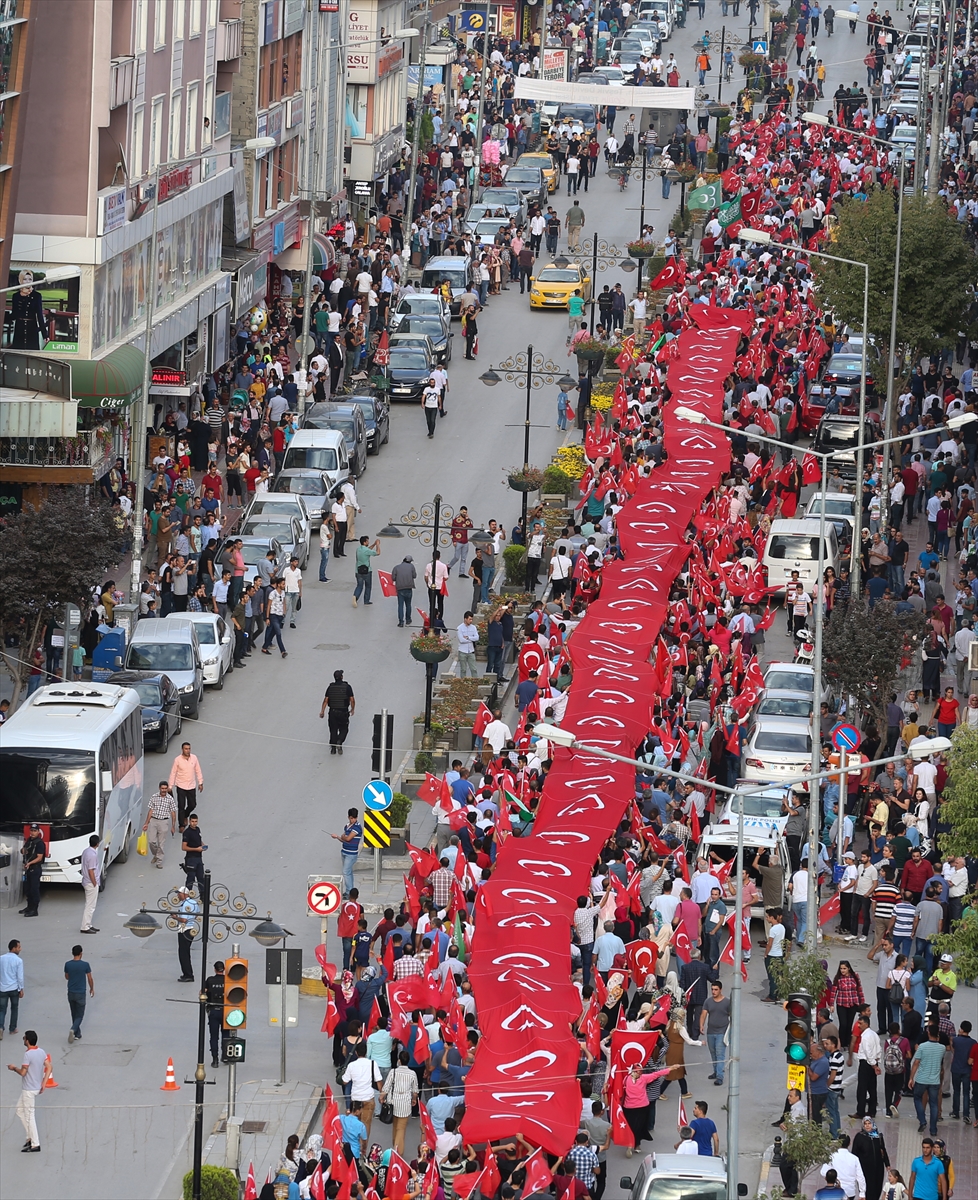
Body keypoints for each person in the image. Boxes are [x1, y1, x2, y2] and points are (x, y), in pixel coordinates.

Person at [7, 1030, 50, 1152]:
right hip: (36, 1087)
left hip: (28, 1089)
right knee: (19, 1110)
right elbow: (49, 1066)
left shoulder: (28, 1055)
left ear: (28, 1041)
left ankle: (35, 1143)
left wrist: (13, 1068)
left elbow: (23, 1072)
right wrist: (44, 1083)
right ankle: (29, 1137)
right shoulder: (41, 1051)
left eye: (24, 1038)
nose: (23, 1039)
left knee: (30, 1115)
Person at [700, 979, 730, 1085]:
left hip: (722, 1031)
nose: (713, 992)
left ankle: (720, 1076)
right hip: (711, 1032)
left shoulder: (727, 1002)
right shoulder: (708, 1001)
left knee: (720, 1054)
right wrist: (701, 1025)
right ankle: (715, 1071)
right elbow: (704, 1014)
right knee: (713, 1053)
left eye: (716, 989)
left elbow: (732, 1015)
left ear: (720, 990)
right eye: (712, 989)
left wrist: (730, 1031)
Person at [168, 742, 204, 831]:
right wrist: (170, 786)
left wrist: (200, 782)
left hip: (191, 785)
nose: (188, 751)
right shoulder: (177, 760)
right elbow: (173, 773)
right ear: (182, 749)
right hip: (181, 785)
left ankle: (185, 815)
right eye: (186, 749)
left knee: (192, 805)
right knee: (181, 806)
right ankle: (181, 825)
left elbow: (198, 770)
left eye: (189, 749)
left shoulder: (194, 758)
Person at [852, 1117, 889, 1200]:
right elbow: (854, 1153)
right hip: (865, 1169)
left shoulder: (878, 1136)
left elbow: (882, 1149)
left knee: (877, 1187)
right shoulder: (859, 1137)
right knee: (868, 1189)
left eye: (869, 1123)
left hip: (878, 1167)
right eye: (865, 1124)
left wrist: (887, 1164)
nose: (867, 1126)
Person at [142, 781, 178, 868]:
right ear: (159, 788)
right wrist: (146, 823)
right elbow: (150, 811)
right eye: (162, 788)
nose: (164, 790)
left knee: (161, 843)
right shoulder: (154, 797)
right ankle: (156, 854)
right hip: (154, 821)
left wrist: (173, 826)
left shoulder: (170, 799)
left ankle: (159, 862)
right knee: (151, 841)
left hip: (164, 822)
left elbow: (173, 813)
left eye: (165, 789)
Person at [320, 669, 355, 753]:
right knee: (344, 729)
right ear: (342, 677)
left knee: (333, 729)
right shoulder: (347, 687)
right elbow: (352, 699)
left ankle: (333, 748)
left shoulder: (330, 687)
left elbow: (326, 700)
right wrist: (352, 709)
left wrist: (322, 711)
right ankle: (339, 741)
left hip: (332, 712)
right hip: (343, 712)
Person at [64, 944, 93, 1044]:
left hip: (71, 992)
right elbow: (89, 978)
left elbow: (67, 977)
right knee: (80, 1015)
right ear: (81, 953)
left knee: (74, 1013)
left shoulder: (67, 964)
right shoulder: (85, 965)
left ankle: (77, 1034)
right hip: (80, 993)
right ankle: (73, 1029)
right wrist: (92, 989)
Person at [332, 808, 363, 897]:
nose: (353, 820)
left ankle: (349, 892)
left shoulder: (357, 827)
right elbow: (344, 840)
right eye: (351, 818)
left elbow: (348, 838)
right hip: (344, 851)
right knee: (349, 872)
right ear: (348, 817)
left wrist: (343, 836)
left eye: (355, 818)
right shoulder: (347, 826)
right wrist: (338, 837)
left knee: (345, 871)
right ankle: (351, 890)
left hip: (351, 853)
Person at [175, 885, 201, 982]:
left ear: (185, 894)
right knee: (185, 952)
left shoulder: (186, 905)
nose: (178, 895)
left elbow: (184, 920)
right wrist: (192, 920)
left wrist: (175, 918)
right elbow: (198, 912)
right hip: (191, 929)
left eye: (179, 893)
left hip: (184, 930)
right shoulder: (193, 902)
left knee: (183, 954)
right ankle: (187, 973)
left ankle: (188, 975)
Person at [204, 961, 227, 1068]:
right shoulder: (228, 981)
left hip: (213, 1011)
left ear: (215, 969)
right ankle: (225, 1056)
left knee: (214, 1037)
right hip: (226, 1011)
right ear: (224, 969)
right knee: (226, 1035)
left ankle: (215, 1059)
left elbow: (202, 993)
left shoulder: (210, 980)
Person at [19, 823, 45, 918]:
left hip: (35, 869)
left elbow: (39, 858)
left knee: (34, 890)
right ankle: (29, 907)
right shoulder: (29, 840)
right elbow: (25, 850)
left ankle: (34, 910)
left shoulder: (39, 843)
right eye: (31, 830)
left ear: (38, 832)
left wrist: (29, 863)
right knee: (27, 889)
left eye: (35, 831)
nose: (33, 833)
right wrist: (23, 850)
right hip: (28, 869)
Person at [0, 940, 24, 1038]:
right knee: (14, 1008)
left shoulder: (1, 958)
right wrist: (21, 988)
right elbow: (20, 977)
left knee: (2, 1009)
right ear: (13, 948)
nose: (20, 949)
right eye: (19, 947)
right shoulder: (18, 960)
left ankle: (0, 1027)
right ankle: (12, 1028)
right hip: (14, 988)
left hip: (3, 988)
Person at [79, 833, 100, 933]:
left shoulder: (86, 851)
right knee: (90, 906)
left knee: (90, 905)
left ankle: (89, 924)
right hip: (90, 883)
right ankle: (85, 926)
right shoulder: (92, 855)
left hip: (86, 880)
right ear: (97, 843)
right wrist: (94, 883)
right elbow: (91, 870)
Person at [353, 535, 380, 606]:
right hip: (367, 571)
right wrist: (377, 545)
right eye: (367, 541)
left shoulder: (358, 549)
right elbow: (378, 553)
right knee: (368, 586)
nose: (368, 542)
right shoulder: (366, 551)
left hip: (358, 570)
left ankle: (355, 596)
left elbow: (368, 549)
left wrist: (373, 544)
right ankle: (366, 600)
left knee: (359, 585)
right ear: (365, 542)